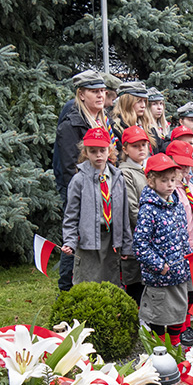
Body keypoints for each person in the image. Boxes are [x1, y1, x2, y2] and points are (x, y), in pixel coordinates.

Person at [55, 70, 111, 291]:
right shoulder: (71, 124)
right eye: (94, 91)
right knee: (76, 238)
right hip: (81, 191)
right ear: (81, 94)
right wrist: (85, 195)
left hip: (103, 187)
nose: (100, 95)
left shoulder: (103, 121)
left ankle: (96, 283)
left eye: (102, 91)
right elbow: (69, 167)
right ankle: (67, 290)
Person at [61, 128, 132, 286]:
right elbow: (71, 215)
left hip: (111, 240)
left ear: (109, 150)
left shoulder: (118, 178)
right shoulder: (79, 180)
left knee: (111, 283)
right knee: (87, 283)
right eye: (93, 151)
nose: (98, 155)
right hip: (88, 240)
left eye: (102, 150)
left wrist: (127, 244)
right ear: (85, 152)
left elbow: (124, 215)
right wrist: (70, 241)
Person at [134, 153, 191, 347]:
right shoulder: (148, 209)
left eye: (172, 180)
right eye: (164, 180)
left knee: (177, 311)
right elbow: (140, 244)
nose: (170, 184)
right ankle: (159, 349)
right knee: (159, 314)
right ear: (151, 181)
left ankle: (174, 346)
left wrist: (187, 258)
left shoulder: (176, 204)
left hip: (179, 270)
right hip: (160, 274)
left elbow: (183, 234)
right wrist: (159, 265)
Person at [166, 139, 193, 348]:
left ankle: (187, 323)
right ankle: (179, 328)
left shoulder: (190, 185)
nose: (184, 170)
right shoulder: (170, 190)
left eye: (187, 165)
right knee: (181, 289)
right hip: (180, 245)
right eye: (180, 166)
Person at [119, 125, 151, 305]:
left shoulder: (148, 168)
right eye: (135, 146)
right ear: (125, 149)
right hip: (136, 234)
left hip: (152, 233)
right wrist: (152, 226)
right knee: (135, 279)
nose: (141, 149)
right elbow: (132, 209)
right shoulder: (125, 173)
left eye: (143, 145)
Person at [111, 81, 158, 156]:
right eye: (139, 101)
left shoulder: (148, 126)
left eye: (144, 101)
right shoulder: (116, 127)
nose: (143, 105)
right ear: (127, 103)